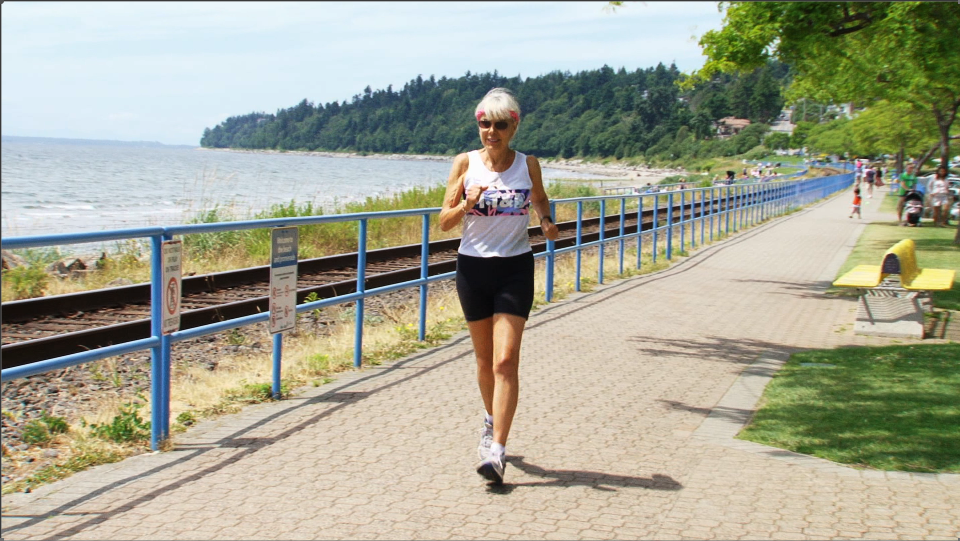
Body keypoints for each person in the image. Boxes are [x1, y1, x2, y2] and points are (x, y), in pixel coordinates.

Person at [439, 87, 559, 485]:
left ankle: (497, 452)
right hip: (472, 269)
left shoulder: (528, 164)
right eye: (485, 124)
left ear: (514, 126)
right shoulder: (465, 163)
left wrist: (545, 221)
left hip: (514, 268)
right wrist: (466, 203)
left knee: (505, 360)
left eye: (500, 125)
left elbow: (540, 199)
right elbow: (444, 222)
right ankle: (490, 420)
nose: (492, 132)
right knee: (484, 359)